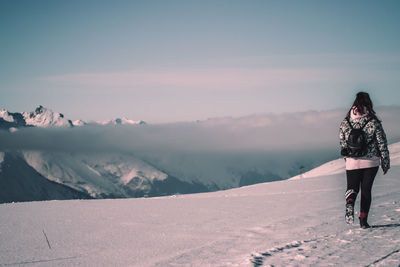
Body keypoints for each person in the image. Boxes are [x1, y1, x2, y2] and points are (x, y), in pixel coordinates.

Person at [339, 92, 390, 228]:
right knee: (366, 191)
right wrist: (385, 162)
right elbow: (382, 143)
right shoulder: (373, 122)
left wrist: (348, 159)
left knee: (352, 188)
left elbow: (343, 142)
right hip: (370, 161)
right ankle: (363, 220)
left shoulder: (345, 122)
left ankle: (350, 201)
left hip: (352, 162)